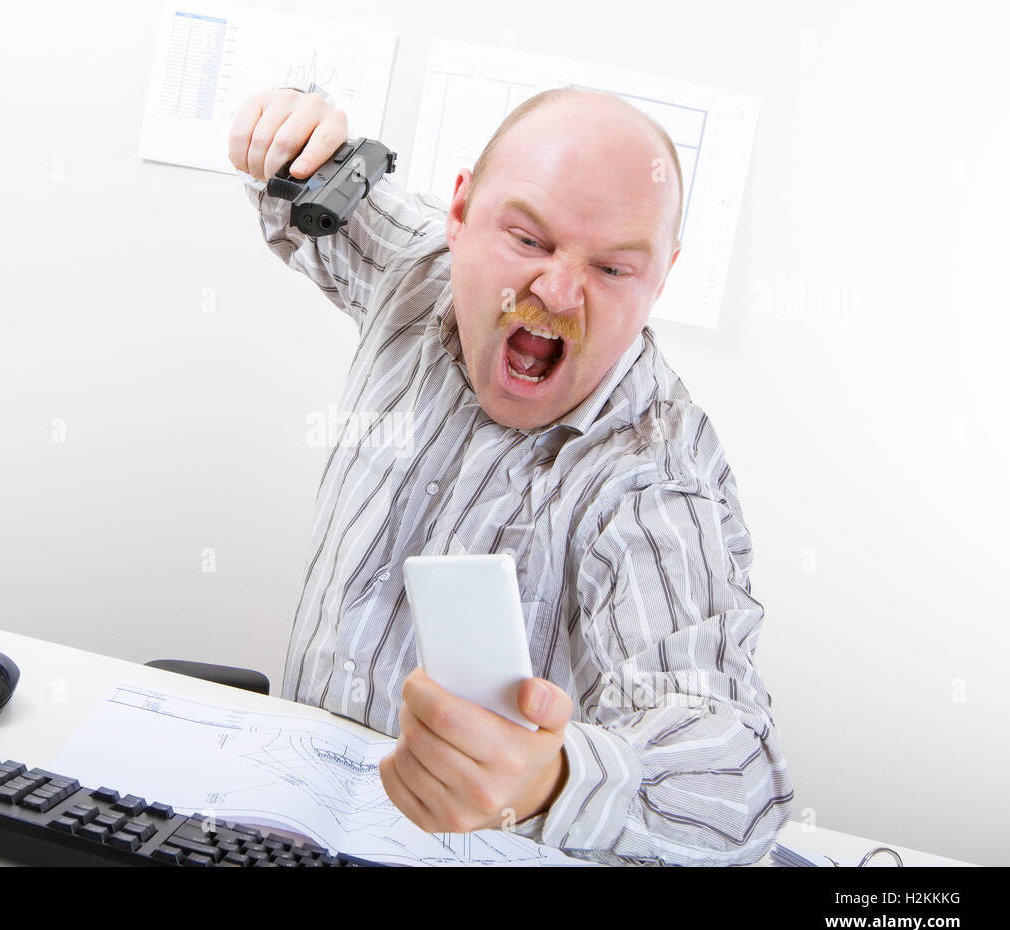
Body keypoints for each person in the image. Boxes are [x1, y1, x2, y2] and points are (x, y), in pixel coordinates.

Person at [227, 82, 794, 866]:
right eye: (529, 240)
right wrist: (290, 120)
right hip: (290, 825)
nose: (557, 292)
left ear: (661, 278)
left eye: (614, 268)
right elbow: (306, 187)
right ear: (460, 215)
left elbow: (737, 775)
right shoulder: (423, 269)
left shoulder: (655, 476)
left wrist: (555, 782)